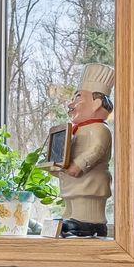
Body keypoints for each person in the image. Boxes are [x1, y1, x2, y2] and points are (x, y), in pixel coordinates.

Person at [55, 63, 113, 238]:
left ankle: (89, 222)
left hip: (90, 180)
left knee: (84, 200)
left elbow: (97, 149)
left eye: (78, 98)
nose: (72, 104)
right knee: (71, 201)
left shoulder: (99, 129)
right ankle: (71, 218)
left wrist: (79, 165)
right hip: (73, 180)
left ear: (96, 104)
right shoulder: (76, 129)